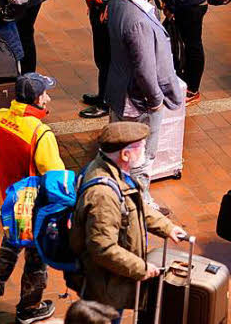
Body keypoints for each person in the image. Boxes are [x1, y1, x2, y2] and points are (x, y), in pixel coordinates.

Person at [69, 122, 185, 322]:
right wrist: (141, 268)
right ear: (125, 155)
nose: (144, 149)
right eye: (140, 145)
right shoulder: (103, 195)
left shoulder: (109, 168)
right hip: (105, 287)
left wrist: (167, 227)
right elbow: (102, 248)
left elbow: (133, 207)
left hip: (111, 279)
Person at [0, 73, 63, 324]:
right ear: (37, 99)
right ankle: (29, 308)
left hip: (10, 199)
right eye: (45, 93)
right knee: (36, 261)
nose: (48, 98)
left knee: (10, 245)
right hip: (34, 206)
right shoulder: (40, 133)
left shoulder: (0, 118)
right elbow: (55, 179)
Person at [104, 0, 185, 213]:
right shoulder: (138, 21)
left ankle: (117, 191)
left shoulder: (118, 0)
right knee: (141, 154)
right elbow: (145, 69)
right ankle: (141, 202)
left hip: (118, 87)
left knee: (118, 147)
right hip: (138, 99)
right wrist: (156, 102)